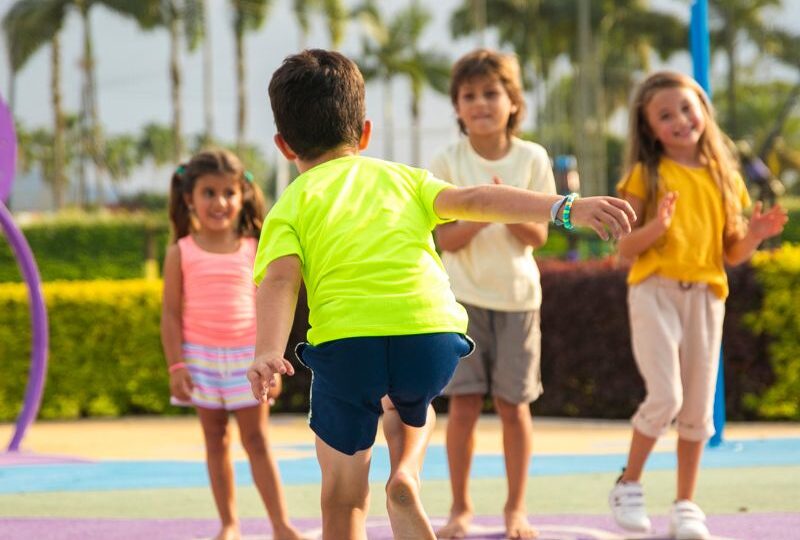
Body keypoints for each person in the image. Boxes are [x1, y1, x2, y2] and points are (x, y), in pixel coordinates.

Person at [246, 49, 635, 540]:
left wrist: (267, 352)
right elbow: (475, 200)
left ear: (284, 145)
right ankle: (406, 472)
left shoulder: (289, 206)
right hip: (430, 336)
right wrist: (564, 208)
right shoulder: (404, 178)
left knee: (342, 494)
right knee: (413, 404)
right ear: (364, 133)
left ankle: (371, 496)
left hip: (347, 346)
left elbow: (280, 281)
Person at [610, 71, 787, 540]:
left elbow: (731, 253)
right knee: (666, 396)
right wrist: (657, 229)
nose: (680, 120)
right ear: (649, 129)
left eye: (687, 109)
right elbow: (625, 247)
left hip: (707, 297)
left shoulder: (726, 178)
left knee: (697, 409)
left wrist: (754, 235)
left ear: (704, 112)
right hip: (655, 292)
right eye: (665, 115)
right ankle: (629, 483)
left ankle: (686, 505)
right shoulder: (645, 174)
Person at [430, 49, 553, 540]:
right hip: (460, 302)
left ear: (512, 100)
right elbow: (444, 238)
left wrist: (504, 205)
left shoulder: (533, 158)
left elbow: (538, 236)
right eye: (469, 95)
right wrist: (480, 208)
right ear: (457, 107)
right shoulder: (447, 161)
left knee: (513, 406)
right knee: (462, 405)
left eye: (490, 93)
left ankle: (515, 511)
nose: (480, 103)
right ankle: (460, 508)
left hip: (519, 301)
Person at [160, 148, 304, 540]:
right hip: (201, 360)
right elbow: (171, 315)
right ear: (190, 197)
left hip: (248, 358)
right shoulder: (180, 252)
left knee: (257, 440)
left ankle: (281, 525)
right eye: (209, 193)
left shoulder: (255, 247)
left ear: (243, 195)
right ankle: (229, 524)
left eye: (228, 193)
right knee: (215, 440)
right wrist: (177, 366)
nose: (219, 202)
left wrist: (269, 360)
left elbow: (273, 304)